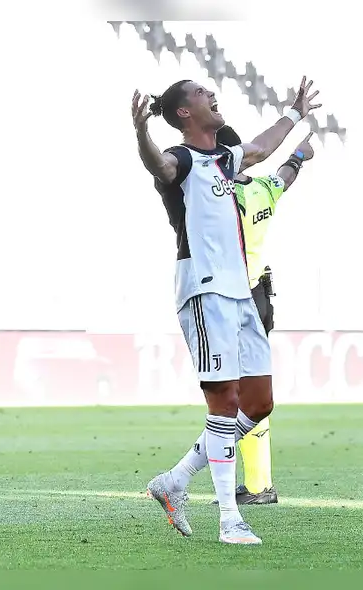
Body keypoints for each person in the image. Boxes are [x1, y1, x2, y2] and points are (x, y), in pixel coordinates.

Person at [132, 76, 320, 544]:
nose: (211, 94)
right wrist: (140, 134)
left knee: (258, 404)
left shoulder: (225, 160)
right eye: (200, 92)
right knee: (225, 402)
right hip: (205, 290)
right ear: (184, 113)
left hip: (241, 292)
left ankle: (175, 480)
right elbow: (159, 165)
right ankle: (230, 520)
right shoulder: (182, 158)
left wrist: (294, 114)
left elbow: (259, 147)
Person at [211, 124, 315, 505]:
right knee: (248, 391)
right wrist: (300, 155)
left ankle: (257, 487)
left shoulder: (218, 196)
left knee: (237, 394)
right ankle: (257, 482)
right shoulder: (261, 189)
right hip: (260, 295)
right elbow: (285, 177)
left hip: (234, 299)